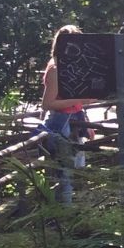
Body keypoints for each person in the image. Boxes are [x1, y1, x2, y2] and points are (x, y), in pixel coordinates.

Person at [40, 25, 91, 204]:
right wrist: (79, 99)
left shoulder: (75, 66)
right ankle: (64, 217)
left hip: (75, 119)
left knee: (76, 170)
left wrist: (82, 108)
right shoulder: (56, 68)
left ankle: (75, 216)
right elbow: (47, 103)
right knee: (65, 174)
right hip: (60, 121)